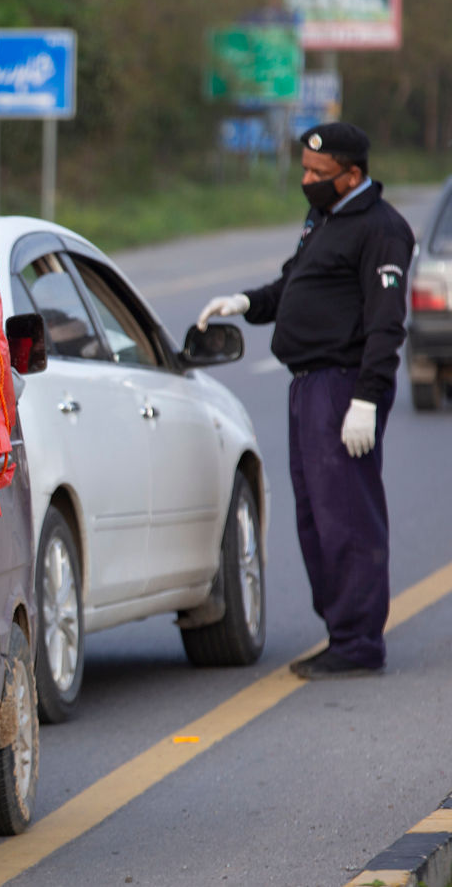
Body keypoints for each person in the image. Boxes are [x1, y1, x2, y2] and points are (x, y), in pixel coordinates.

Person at [196, 122, 414, 680]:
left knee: (347, 516)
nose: (306, 180)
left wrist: (367, 399)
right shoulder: (325, 218)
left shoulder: (382, 230)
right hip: (308, 385)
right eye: (304, 170)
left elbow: (387, 326)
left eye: (318, 174)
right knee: (316, 518)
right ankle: (342, 630)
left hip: (343, 385)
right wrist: (245, 302)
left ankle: (360, 643)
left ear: (352, 175)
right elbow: (293, 283)